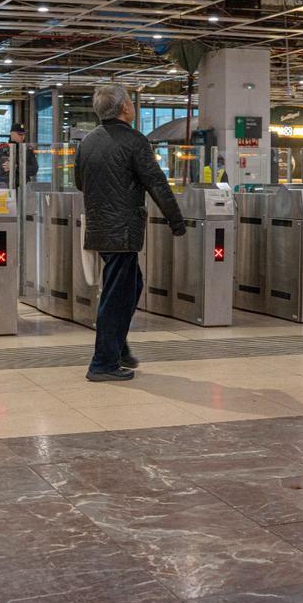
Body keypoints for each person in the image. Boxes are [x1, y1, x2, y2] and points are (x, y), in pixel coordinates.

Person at [75, 84, 185, 382]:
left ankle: (118, 347)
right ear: (125, 108)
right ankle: (102, 363)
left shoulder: (87, 142)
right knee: (116, 295)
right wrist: (176, 221)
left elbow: (79, 183)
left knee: (130, 285)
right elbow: (157, 183)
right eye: (132, 102)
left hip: (100, 226)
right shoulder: (135, 141)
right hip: (122, 230)